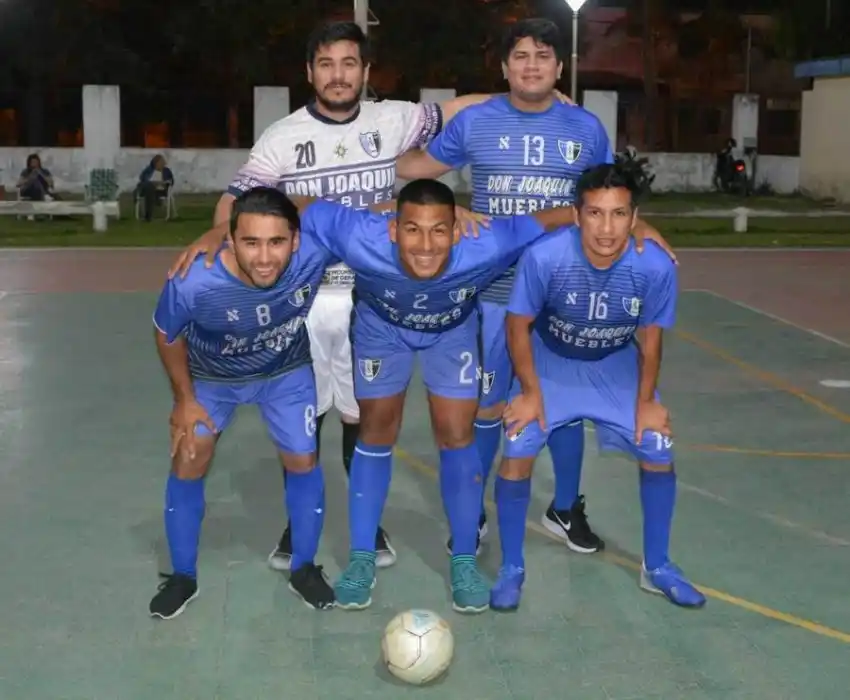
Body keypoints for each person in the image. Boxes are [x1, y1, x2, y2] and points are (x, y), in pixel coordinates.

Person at [168, 20, 496, 573]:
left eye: (349, 63)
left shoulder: (393, 119)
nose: (338, 74)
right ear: (309, 72)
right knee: (305, 417)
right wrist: (214, 231)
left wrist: (526, 94)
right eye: (326, 64)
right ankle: (298, 526)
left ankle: (368, 525)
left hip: (369, 299)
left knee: (360, 416)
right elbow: (237, 200)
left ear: (365, 72)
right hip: (306, 299)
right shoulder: (282, 137)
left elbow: (457, 110)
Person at [394, 18, 676, 557]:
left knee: (561, 404)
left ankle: (564, 506)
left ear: (559, 67)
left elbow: (606, 197)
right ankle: (471, 514)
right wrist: (448, 203)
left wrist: (642, 224)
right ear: (503, 67)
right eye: (520, 56)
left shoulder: (585, 128)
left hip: (565, 295)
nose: (531, 65)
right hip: (496, 294)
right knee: (488, 405)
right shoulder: (477, 120)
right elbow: (409, 167)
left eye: (542, 56)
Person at [299, 178, 592, 614]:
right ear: (393, 229)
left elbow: (557, 216)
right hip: (382, 330)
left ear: (457, 231)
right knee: (375, 431)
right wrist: (218, 230)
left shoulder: (487, 242)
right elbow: (295, 205)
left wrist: (636, 228)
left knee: (457, 435)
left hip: (449, 333)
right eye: (413, 229)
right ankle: (362, 559)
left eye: (439, 230)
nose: (425, 245)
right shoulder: (357, 233)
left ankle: (464, 561)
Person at [492, 162, 705, 611]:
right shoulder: (545, 256)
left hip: (614, 366)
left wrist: (646, 402)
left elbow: (650, 338)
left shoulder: (654, 266)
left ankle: (659, 567)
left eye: (619, 214)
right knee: (517, 445)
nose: (607, 228)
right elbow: (518, 325)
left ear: (634, 216)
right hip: (552, 365)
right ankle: (512, 568)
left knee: (658, 445)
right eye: (595, 213)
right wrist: (529, 392)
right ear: (576, 215)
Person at [149, 188, 338, 619]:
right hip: (213, 379)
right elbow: (167, 334)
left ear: (295, 240)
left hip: (284, 373)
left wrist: (453, 212)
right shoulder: (195, 278)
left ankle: (304, 568)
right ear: (230, 241)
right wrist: (184, 400)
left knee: (303, 460)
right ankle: (182, 577)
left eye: (276, 242)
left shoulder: (315, 253)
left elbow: (330, 206)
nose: (265, 257)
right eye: (251, 242)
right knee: (189, 454)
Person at [137, 154, 175, 222]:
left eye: (163, 162)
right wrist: (150, 182)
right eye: (161, 162)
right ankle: (148, 215)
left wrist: (164, 183)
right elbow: (142, 178)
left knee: (149, 189)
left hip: (161, 190)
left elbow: (171, 181)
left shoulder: (166, 171)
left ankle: (148, 215)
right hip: (149, 188)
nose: (163, 163)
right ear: (156, 163)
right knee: (149, 187)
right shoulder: (149, 169)